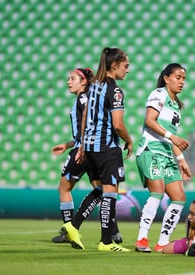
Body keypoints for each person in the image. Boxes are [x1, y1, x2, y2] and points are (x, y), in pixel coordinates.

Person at [61, 47, 133, 252]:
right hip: (107, 147)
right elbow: (118, 124)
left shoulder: (93, 87)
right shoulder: (115, 90)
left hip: (90, 147)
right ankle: (106, 242)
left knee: (101, 190)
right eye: (125, 66)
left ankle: (73, 226)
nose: (127, 70)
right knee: (110, 192)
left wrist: (83, 144)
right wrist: (128, 140)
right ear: (115, 65)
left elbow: (84, 117)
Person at [135, 63, 191, 253]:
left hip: (167, 154)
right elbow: (150, 121)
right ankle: (142, 238)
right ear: (167, 78)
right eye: (178, 77)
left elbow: (171, 137)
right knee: (157, 191)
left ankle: (162, 242)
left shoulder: (177, 106)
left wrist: (182, 160)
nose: (182, 81)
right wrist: (172, 137)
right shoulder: (158, 94)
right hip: (150, 149)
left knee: (179, 197)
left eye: (184, 78)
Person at [51, 68, 102, 243]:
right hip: (92, 150)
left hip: (82, 151)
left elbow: (88, 127)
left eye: (72, 78)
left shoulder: (82, 98)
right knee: (102, 191)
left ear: (84, 81)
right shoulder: (88, 98)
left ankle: (69, 229)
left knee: (64, 188)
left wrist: (78, 147)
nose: (68, 82)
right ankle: (111, 231)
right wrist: (67, 145)